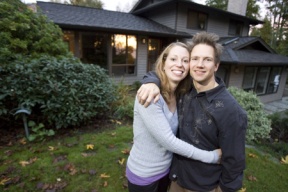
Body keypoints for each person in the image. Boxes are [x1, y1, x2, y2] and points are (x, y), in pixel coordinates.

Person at [137, 32, 247, 192]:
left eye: (207, 60)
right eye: (195, 59)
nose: (200, 64)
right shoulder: (185, 89)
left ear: (216, 65)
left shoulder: (230, 110)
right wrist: (151, 81)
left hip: (203, 186)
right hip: (176, 179)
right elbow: (164, 73)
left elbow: (234, 162)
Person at [126, 42, 222, 192]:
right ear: (163, 63)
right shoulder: (150, 96)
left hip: (165, 171)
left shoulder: (179, 94)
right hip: (144, 175)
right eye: (173, 59)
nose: (180, 64)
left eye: (185, 61)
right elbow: (168, 141)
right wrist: (211, 157)